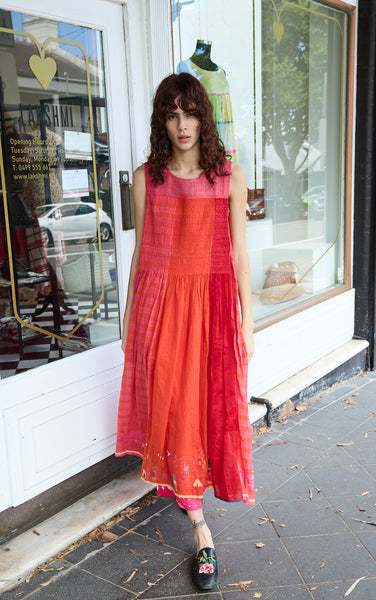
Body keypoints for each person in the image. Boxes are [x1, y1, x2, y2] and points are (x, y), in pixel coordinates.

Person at [116, 72, 255, 591]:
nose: (182, 125)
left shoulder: (229, 178)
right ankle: (197, 522)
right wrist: (132, 320)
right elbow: (140, 254)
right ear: (161, 120)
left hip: (212, 311)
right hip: (160, 309)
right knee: (171, 406)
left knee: (202, 407)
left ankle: (196, 517)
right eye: (172, 114)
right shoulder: (145, 178)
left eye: (190, 113)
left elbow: (240, 257)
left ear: (204, 116)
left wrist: (248, 322)